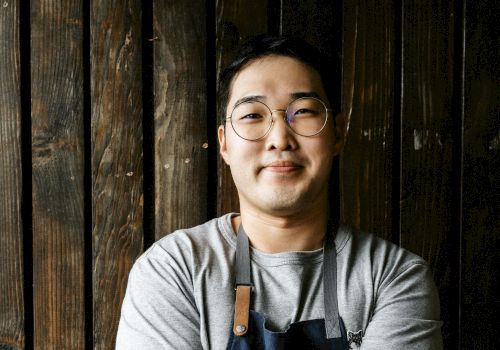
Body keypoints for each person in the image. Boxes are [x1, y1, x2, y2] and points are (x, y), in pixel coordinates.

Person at [115, 35, 443, 349]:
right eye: (252, 116)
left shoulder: (393, 278)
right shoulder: (173, 270)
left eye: (302, 112)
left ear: (338, 134)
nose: (279, 138)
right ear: (224, 143)